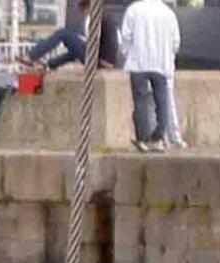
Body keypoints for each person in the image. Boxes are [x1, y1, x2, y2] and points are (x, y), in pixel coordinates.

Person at [121, 0, 180, 153]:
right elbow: (176, 42)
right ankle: (158, 138)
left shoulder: (133, 10)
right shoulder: (169, 13)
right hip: (161, 63)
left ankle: (142, 139)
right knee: (162, 102)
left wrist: (128, 53)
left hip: (139, 62)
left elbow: (126, 36)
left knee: (140, 103)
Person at [27, 0, 120, 71]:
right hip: (108, 61)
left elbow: (94, 43)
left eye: (81, 10)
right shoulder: (106, 16)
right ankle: (49, 65)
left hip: (100, 62)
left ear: (87, 7)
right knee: (73, 52)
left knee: (62, 33)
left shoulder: (95, 18)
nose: (81, 13)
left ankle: (31, 56)